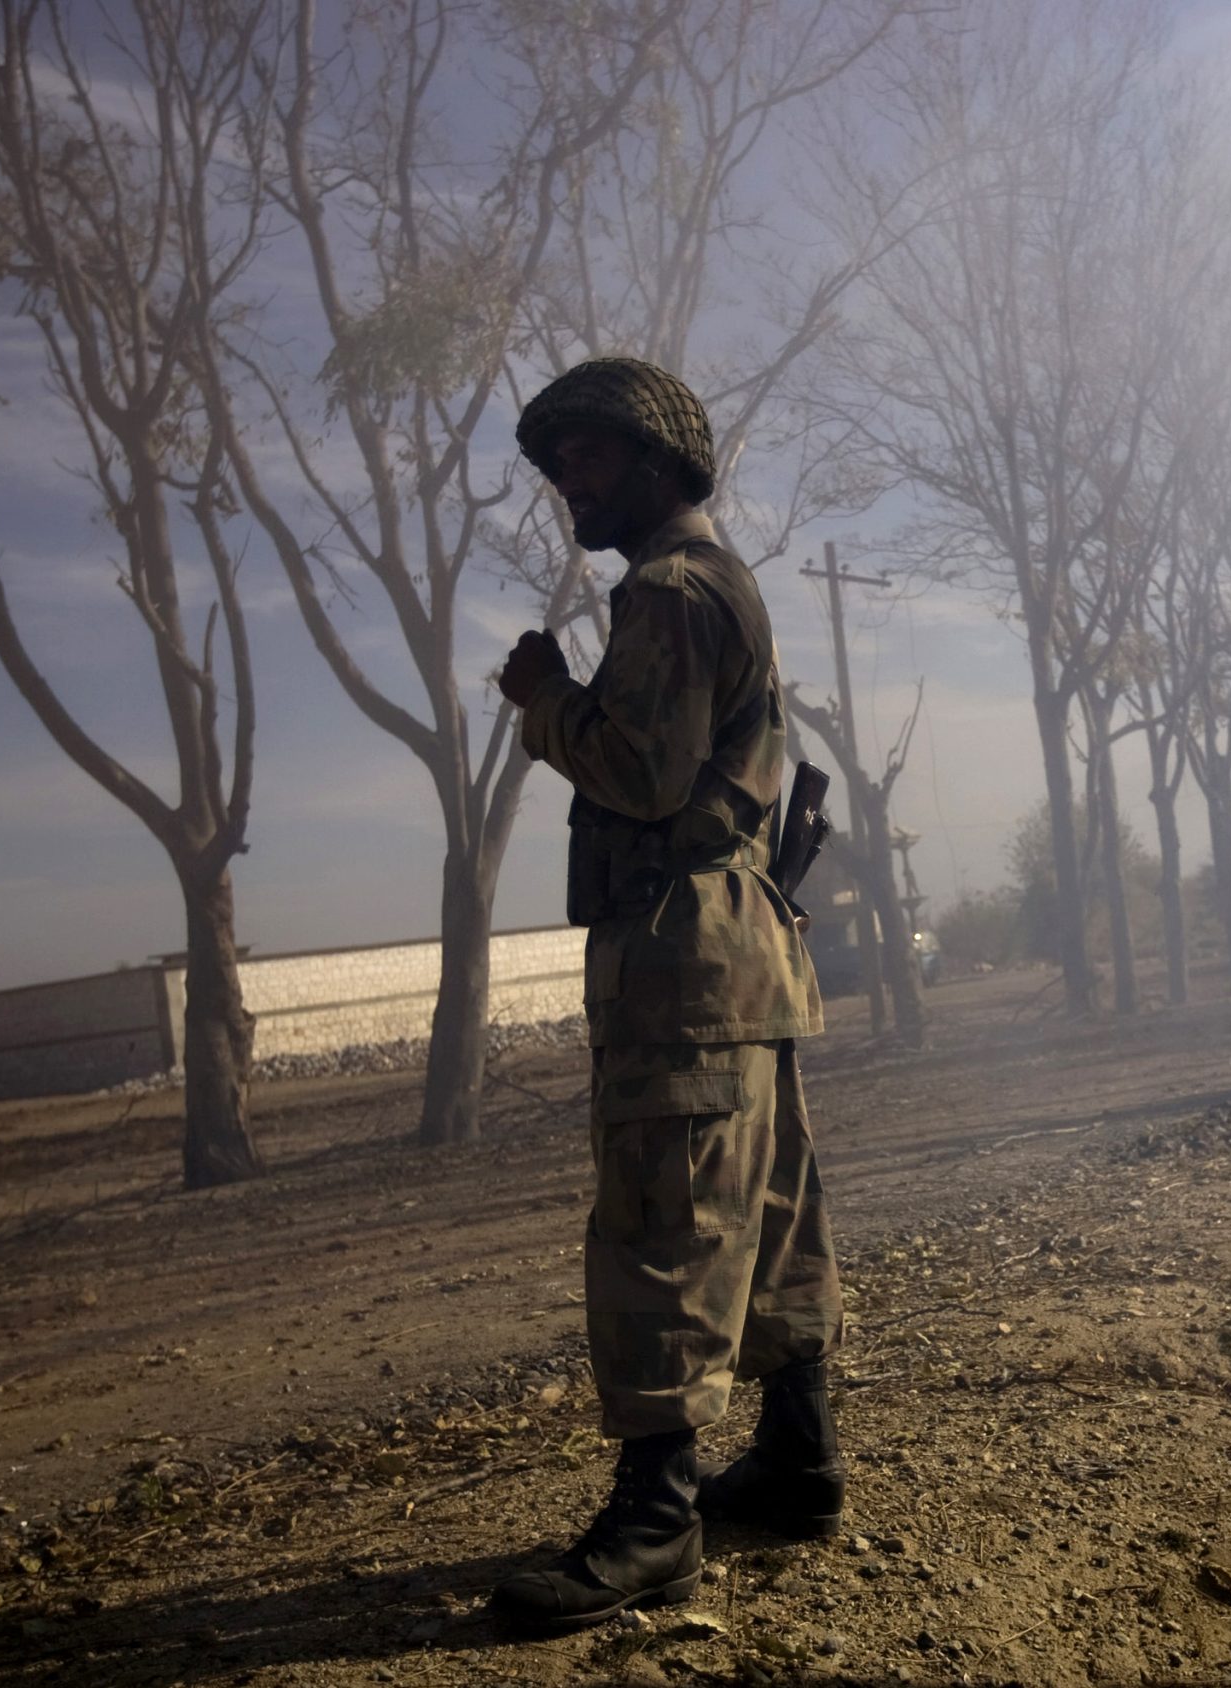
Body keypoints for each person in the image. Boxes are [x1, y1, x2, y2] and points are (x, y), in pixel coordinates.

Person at [489, 358, 842, 1632]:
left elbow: (640, 769)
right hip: (736, 945)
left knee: (666, 1221)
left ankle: (656, 1519)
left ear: (650, 460)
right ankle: (799, 1457)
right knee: (769, 1210)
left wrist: (544, 701)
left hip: (683, 955)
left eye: (580, 458)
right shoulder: (706, 583)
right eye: (556, 466)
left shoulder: (671, 590)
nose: (564, 485)